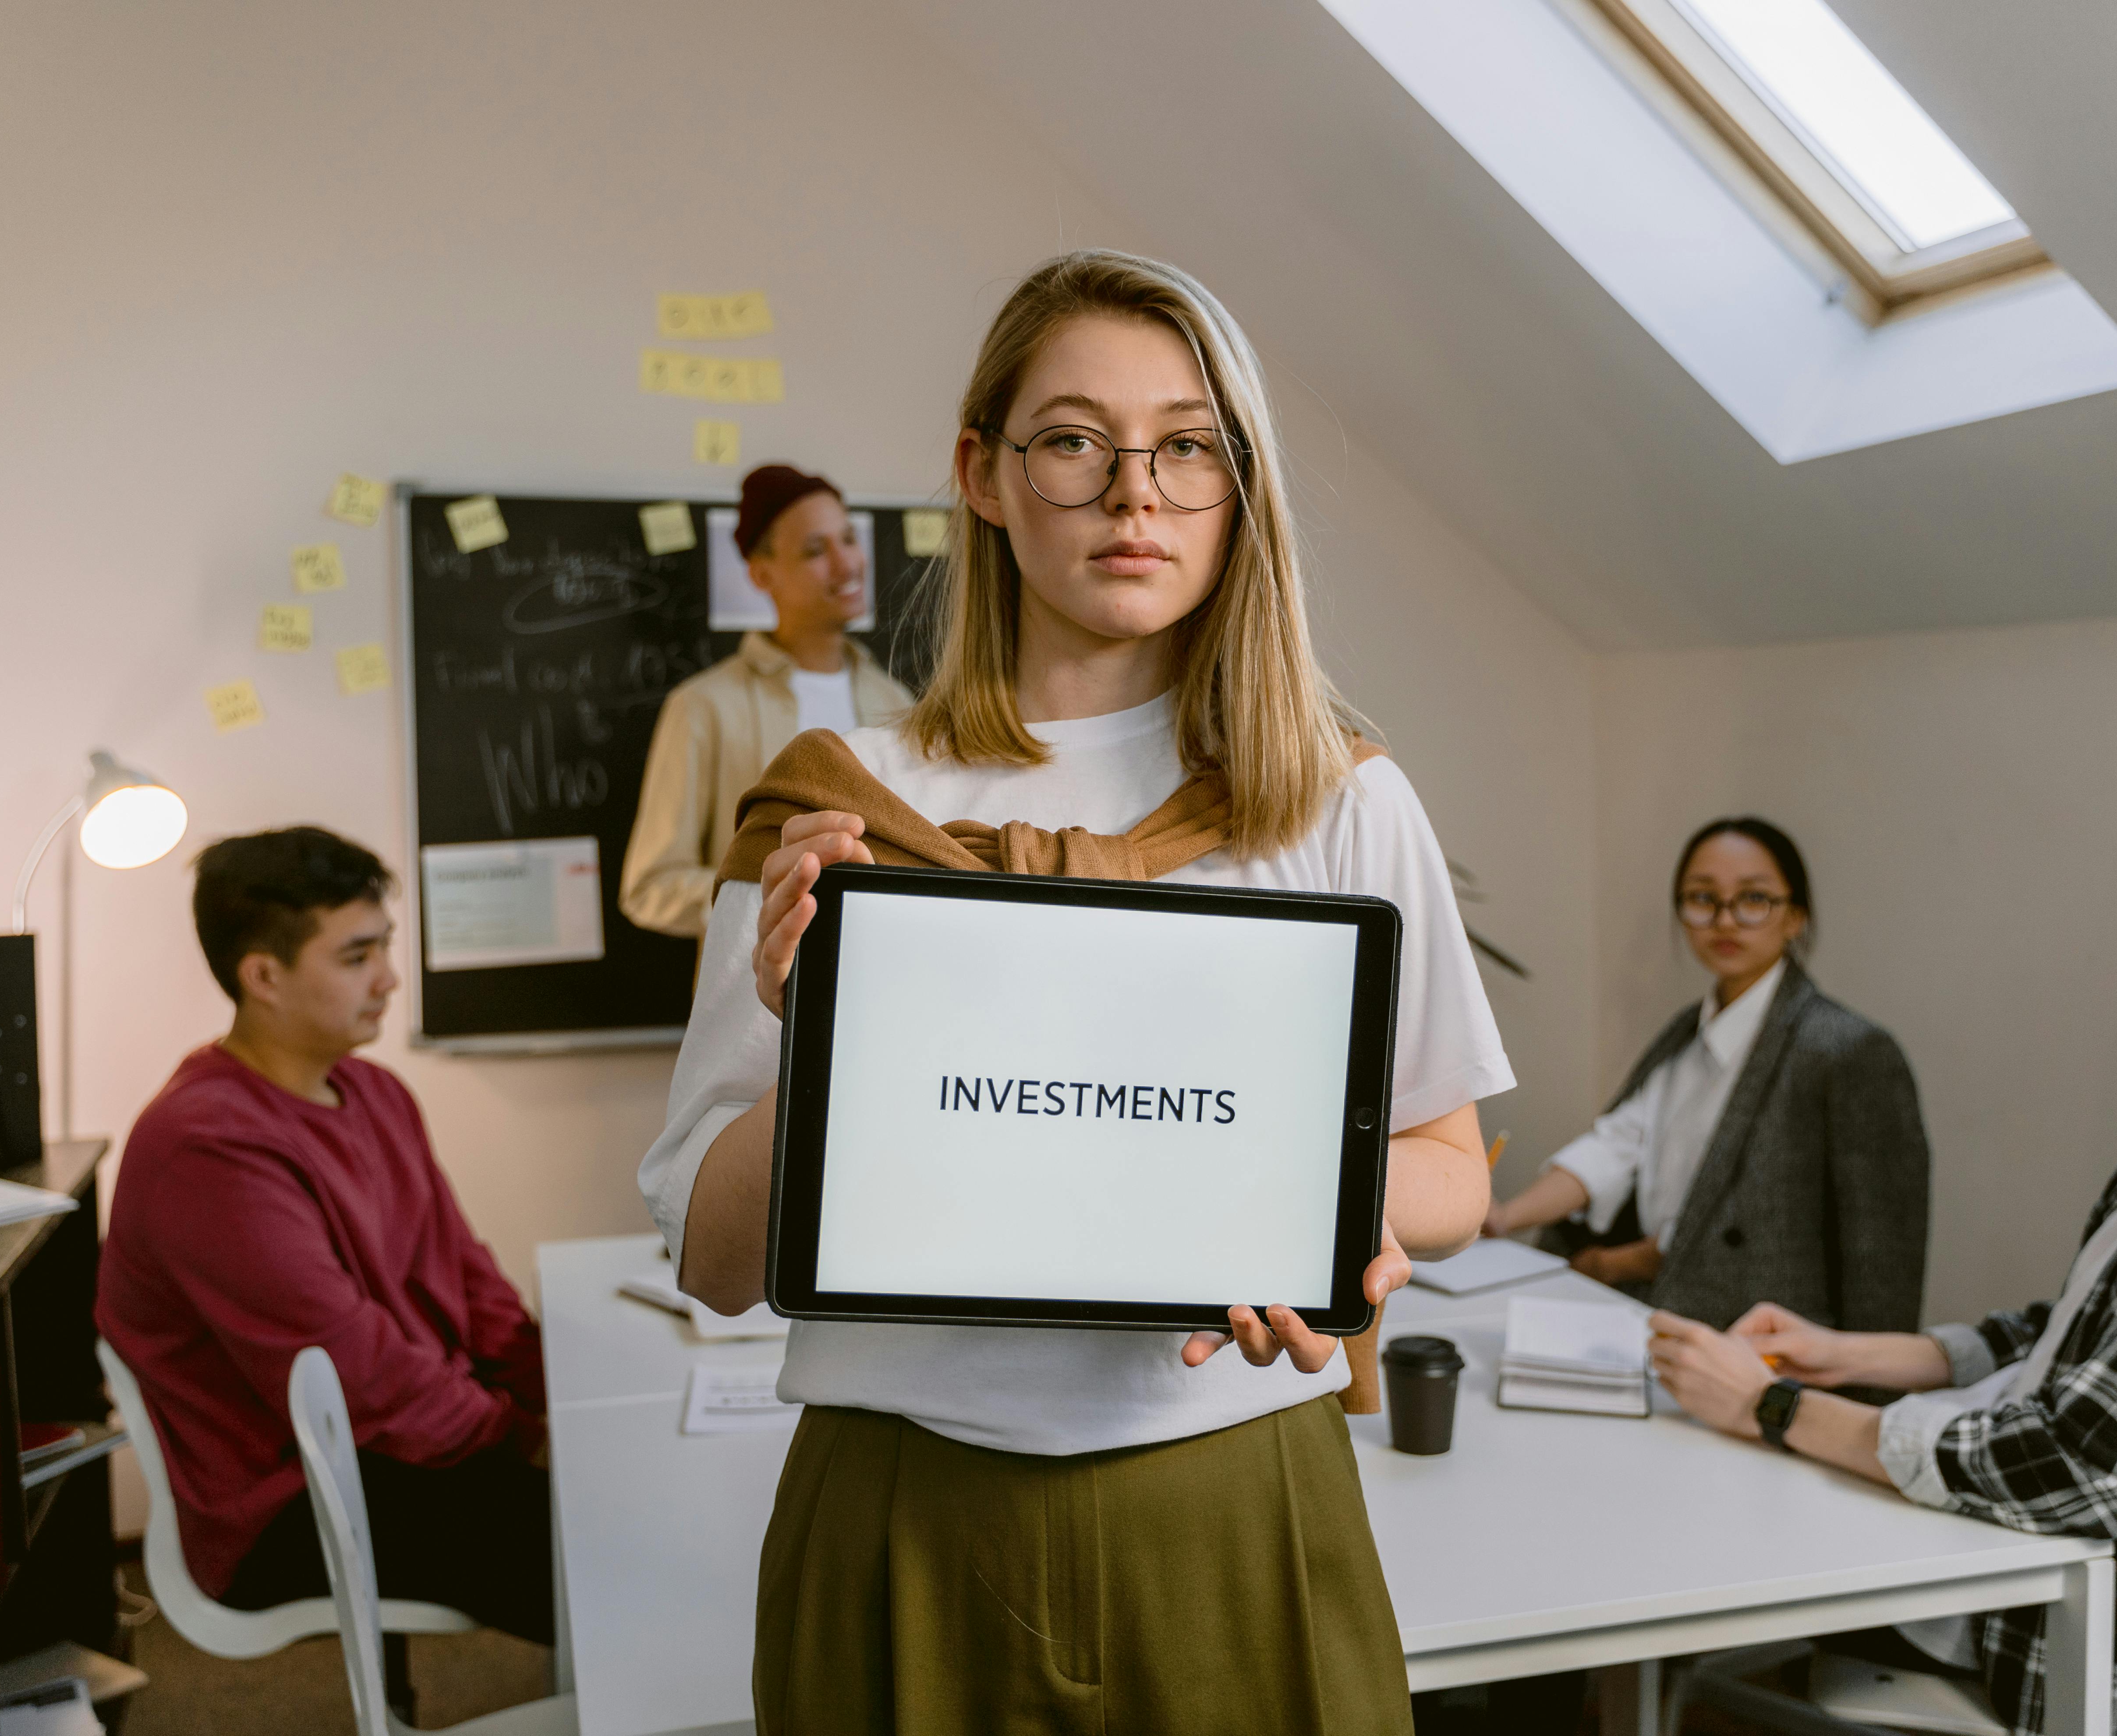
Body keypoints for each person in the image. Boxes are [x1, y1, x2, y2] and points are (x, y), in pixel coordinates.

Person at [637, 250, 1507, 1734]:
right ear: (981, 471)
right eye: (1073, 442)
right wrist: (824, 1033)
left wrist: (1321, 1216)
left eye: (1187, 445)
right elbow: (713, 1259)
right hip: (903, 1498)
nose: (1135, 495)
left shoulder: (1337, 801)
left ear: (1241, 486)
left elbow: (1448, 1173)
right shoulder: (838, 809)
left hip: (1237, 1492)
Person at [1652, 805, 2117, 1736]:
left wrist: (1771, 1408)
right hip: (2012, 1580)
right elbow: (2087, 1326)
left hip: (2079, 1651)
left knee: (1695, 1571)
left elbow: (2073, 1464)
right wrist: (1857, 1354)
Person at [97, 827, 554, 1657]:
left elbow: (469, 1280)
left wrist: (555, 1391)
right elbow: (353, 1377)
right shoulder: (205, 1146)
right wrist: (521, 1438)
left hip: (399, 1443)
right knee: (611, 1546)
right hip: (297, 1497)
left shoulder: (374, 1091)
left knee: (624, 1494)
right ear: (263, 975)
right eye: (355, 957)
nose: (389, 979)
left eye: (383, 947)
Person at [1484, 817, 1930, 1333]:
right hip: (1661, 1321)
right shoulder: (1685, 1034)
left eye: (1754, 898)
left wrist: (1868, 1394)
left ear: (1796, 916)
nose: (1725, 919)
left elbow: (1882, 1260)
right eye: (1703, 898)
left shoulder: (1848, 1050)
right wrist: (1505, 1217)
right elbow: (1614, 1147)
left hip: (1771, 1345)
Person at [618, 464, 915, 938]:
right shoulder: (703, 706)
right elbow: (650, 886)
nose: (846, 564)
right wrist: (768, 893)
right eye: (816, 550)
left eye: (849, 540)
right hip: (747, 997)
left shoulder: (896, 702)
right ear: (762, 574)